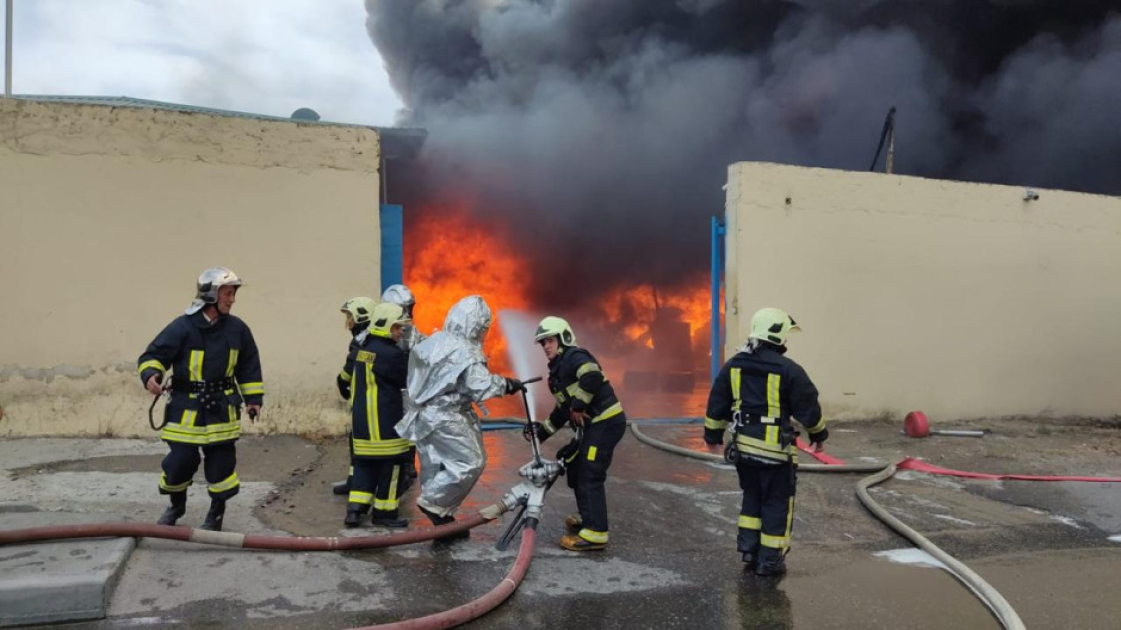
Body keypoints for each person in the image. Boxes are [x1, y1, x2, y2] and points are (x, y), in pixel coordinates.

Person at [137, 267, 264, 531]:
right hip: (186, 408)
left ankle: (216, 513)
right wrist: (151, 375)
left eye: (233, 293)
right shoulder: (183, 326)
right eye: (228, 293)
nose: (232, 299)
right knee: (180, 462)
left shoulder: (238, 329)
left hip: (222, 408)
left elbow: (249, 366)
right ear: (211, 295)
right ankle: (176, 505)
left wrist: (253, 399)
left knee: (221, 467)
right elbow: (154, 355)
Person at [703, 307, 827, 576]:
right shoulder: (789, 369)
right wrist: (819, 435)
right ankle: (769, 560)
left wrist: (712, 436)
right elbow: (809, 407)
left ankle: (749, 550)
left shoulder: (734, 364)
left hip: (744, 451)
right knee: (776, 501)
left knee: (752, 496)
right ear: (779, 333)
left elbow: (717, 403)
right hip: (775, 455)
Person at [395, 295, 524, 534]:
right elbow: (478, 385)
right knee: (471, 462)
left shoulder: (435, 340)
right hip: (447, 416)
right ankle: (435, 504)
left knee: (436, 464)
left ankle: (442, 518)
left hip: (423, 415)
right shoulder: (465, 350)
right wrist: (506, 384)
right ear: (477, 324)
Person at [533, 316, 627, 552]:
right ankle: (588, 519)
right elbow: (563, 410)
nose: (546, 347)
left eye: (549, 341)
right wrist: (541, 433)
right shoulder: (556, 373)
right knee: (575, 468)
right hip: (592, 427)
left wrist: (578, 406)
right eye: (542, 343)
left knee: (590, 471)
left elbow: (592, 375)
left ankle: (596, 534)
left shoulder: (574, 356)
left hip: (605, 422)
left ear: (564, 338)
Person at [332, 284, 425, 496]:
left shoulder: (413, 334)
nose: (406, 315)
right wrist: (344, 382)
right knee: (365, 441)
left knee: (406, 434)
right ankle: (359, 482)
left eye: (408, 308)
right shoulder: (372, 337)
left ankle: (404, 473)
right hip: (384, 395)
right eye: (402, 308)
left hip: (406, 392)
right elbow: (354, 364)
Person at [340, 301, 413, 528]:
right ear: (385, 325)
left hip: (362, 427)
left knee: (363, 467)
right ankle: (385, 513)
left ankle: (355, 511)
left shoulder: (364, 349)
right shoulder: (392, 354)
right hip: (386, 426)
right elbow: (407, 380)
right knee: (392, 468)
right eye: (398, 327)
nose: (401, 331)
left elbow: (346, 377)